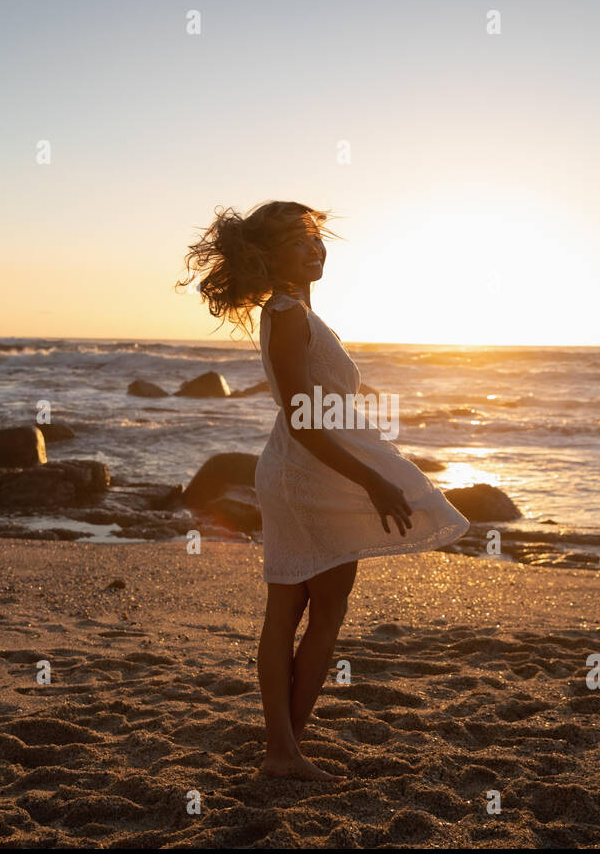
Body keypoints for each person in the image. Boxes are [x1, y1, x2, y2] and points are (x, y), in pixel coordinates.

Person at [179, 200, 469, 780]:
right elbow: (303, 419)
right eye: (300, 242)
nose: (316, 249)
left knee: (301, 610)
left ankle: (284, 750)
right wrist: (373, 478)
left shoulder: (298, 313)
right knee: (309, 611)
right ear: (271, 256)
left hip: (308, 469)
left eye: (317, 239)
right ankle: (282, 751)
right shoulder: (287, 314)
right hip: (307, 473)